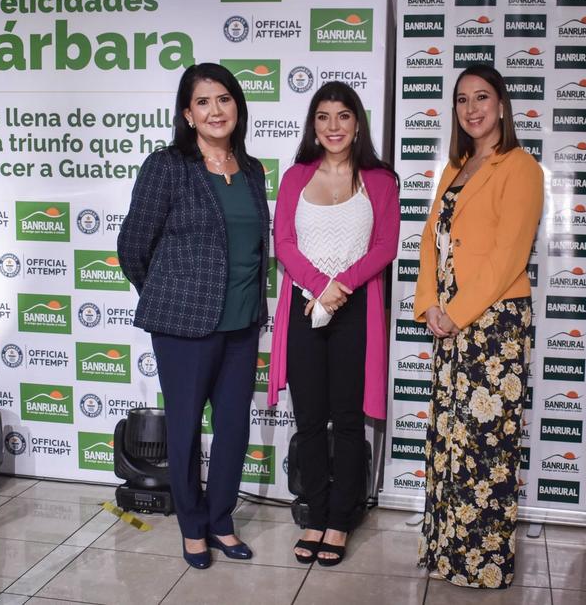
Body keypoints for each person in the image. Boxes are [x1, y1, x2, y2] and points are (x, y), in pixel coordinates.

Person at [117, 62, 270, 569]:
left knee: (233, 426)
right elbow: (133, 246)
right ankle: (192, 526)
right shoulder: (168, 166)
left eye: (223, 99)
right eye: (202, 102)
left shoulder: (251, 170)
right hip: (184, 326)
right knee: (184, 428)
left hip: (243, 321)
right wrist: (168, 295)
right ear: (187, 113)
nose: (215, 110)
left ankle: (221, 520)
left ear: (237, 106)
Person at [414, 64, 543, 588]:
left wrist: (456, 311)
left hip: (494, 328)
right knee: (449, 441)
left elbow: (509, 255)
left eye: (482, 97)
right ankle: (444, 553)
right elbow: (430, 240)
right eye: (463, 99)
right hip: (449, 324)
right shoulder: (456, 166)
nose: (472, 108)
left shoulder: (521, 167)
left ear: (502, 105)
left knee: (485, 449)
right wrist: (428, 306)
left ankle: (480, 565)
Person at [268, 81, 399, 566]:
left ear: (357, 122)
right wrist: (319, 285)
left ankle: (341, 521)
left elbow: (385, 246)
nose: (333, 126)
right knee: (308, 421)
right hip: (304, 309)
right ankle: (316, 515)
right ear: (313, 125)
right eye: (323, 117)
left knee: (346, 422)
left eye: (343, 116)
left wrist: (340, 285)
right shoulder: (295, 177)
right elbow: (283, 243)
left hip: (355, 311)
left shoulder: (380, 180)